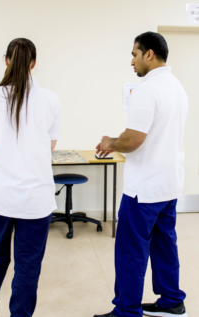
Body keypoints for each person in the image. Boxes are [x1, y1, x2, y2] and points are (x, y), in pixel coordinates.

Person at [94, 32, 188, 317]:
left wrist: (111, 141)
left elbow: (134, 139)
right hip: (169, 185)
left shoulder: (146, 89)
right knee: (164, 246)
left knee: (130, 252)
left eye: (134, 54)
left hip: (143, 190)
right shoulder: (176, 86)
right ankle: (172, 301)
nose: (131, 60)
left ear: (149, 54)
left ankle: (126, 311)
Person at [0, 38, 60, 317]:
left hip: (0, 196)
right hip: (36, 199)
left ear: (6, 60)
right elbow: (50, 146)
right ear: (33, 64)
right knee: (28, 264)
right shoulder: (50, 98)